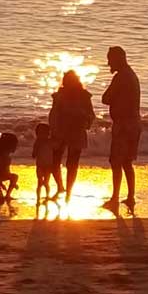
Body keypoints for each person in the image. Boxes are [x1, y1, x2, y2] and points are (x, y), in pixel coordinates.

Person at [101, 46, 141, 211]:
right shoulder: (131, 75)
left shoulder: (121, 77)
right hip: (133, 123)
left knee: (116, 161)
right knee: (126, 162)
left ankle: (115, 198)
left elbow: (106, 98)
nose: (109, 63)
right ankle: (130, 196)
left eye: (110, 59)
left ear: (119, 58)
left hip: (124, 125)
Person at [50, 69, 95, 200]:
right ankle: (60, 187)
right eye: (66, 81)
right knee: (55, 162)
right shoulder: (59, 95)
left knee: (72, 164)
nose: (67, 84)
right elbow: (53, 114)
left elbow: (91, 115)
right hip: (60, 130)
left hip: (77, 131)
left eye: (70, 81)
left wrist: (85, 119)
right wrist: (53, 128)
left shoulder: (84, 96)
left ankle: (68, 192)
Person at [32, 121, 54, 202]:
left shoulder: (49, 141)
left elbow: (56, 146)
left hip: (48, 165)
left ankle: (47, 196)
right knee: (40, 182)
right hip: (40, 165)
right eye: (40, 133)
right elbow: (34, 153)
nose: (42, 135)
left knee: (46, 183)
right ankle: (38, 198)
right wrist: (35, 152)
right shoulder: (37, 142)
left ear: (48, 133)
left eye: (44, 133)